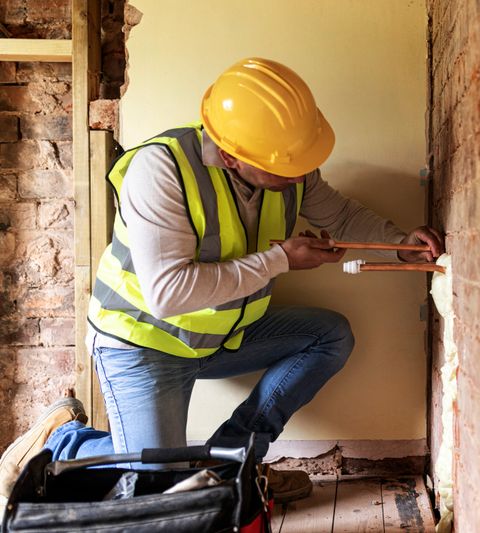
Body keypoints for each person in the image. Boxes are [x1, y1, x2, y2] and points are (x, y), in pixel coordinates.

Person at [0, 57, 443, 503]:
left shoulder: (284, 161)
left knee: (329, 336)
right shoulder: (160, 170)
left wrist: (397, 243)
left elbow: (340, 213)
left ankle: (232, 462)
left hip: (219, 335)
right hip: (144, 344)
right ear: (231, 156)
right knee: (156, 484)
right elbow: (168, 293)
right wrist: (280, 259)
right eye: (285, 167)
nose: (297, 174)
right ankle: (62, 442)